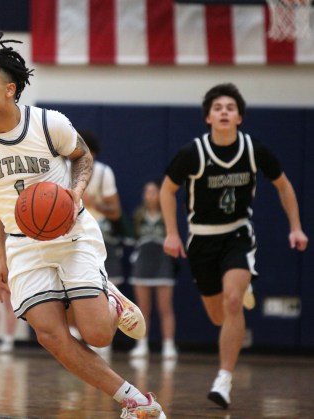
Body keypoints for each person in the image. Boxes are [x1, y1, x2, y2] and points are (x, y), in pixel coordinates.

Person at [0, 22, 166, 418]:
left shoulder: (50, 123)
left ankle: (110, 301)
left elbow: (82, 156)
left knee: (98, 334)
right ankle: (134, 401)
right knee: (49, 334)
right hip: (21, 243)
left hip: (70, 233)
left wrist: (75, 194)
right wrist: (0, 256)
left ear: (9, 89)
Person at [160, 82, 308, 409]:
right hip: (201, 238)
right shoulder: (193, 153)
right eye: (218, 108)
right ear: (208, 117)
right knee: (218, 317)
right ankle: (240, 294)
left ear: (239, 116)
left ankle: (224, 378)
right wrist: (172, 233)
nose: (224, 111)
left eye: (230, 107)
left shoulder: (254, 149)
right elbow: (166, 190)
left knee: (231, 303)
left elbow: (284, 186)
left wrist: (295, 227)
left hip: (237, 234)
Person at [66, 131, 126, 352]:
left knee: (100, 285)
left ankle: (104, 331)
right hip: (70, 230)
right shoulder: (61, 168)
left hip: (98, 232)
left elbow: (116, 211)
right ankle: (74, 332)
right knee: (68, 286)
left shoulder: (102, 173)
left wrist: (95, 204)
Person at [129, 181, 177, 359]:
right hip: (142, 263)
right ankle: (141, 344)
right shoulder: (138, 215)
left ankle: (169, 345)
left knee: (165, 307)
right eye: (147, 192)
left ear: (160, 194)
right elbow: (133, 236)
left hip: (162, 263)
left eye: (153, 192)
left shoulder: (167, 215)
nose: (150, 195)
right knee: (142, 309)